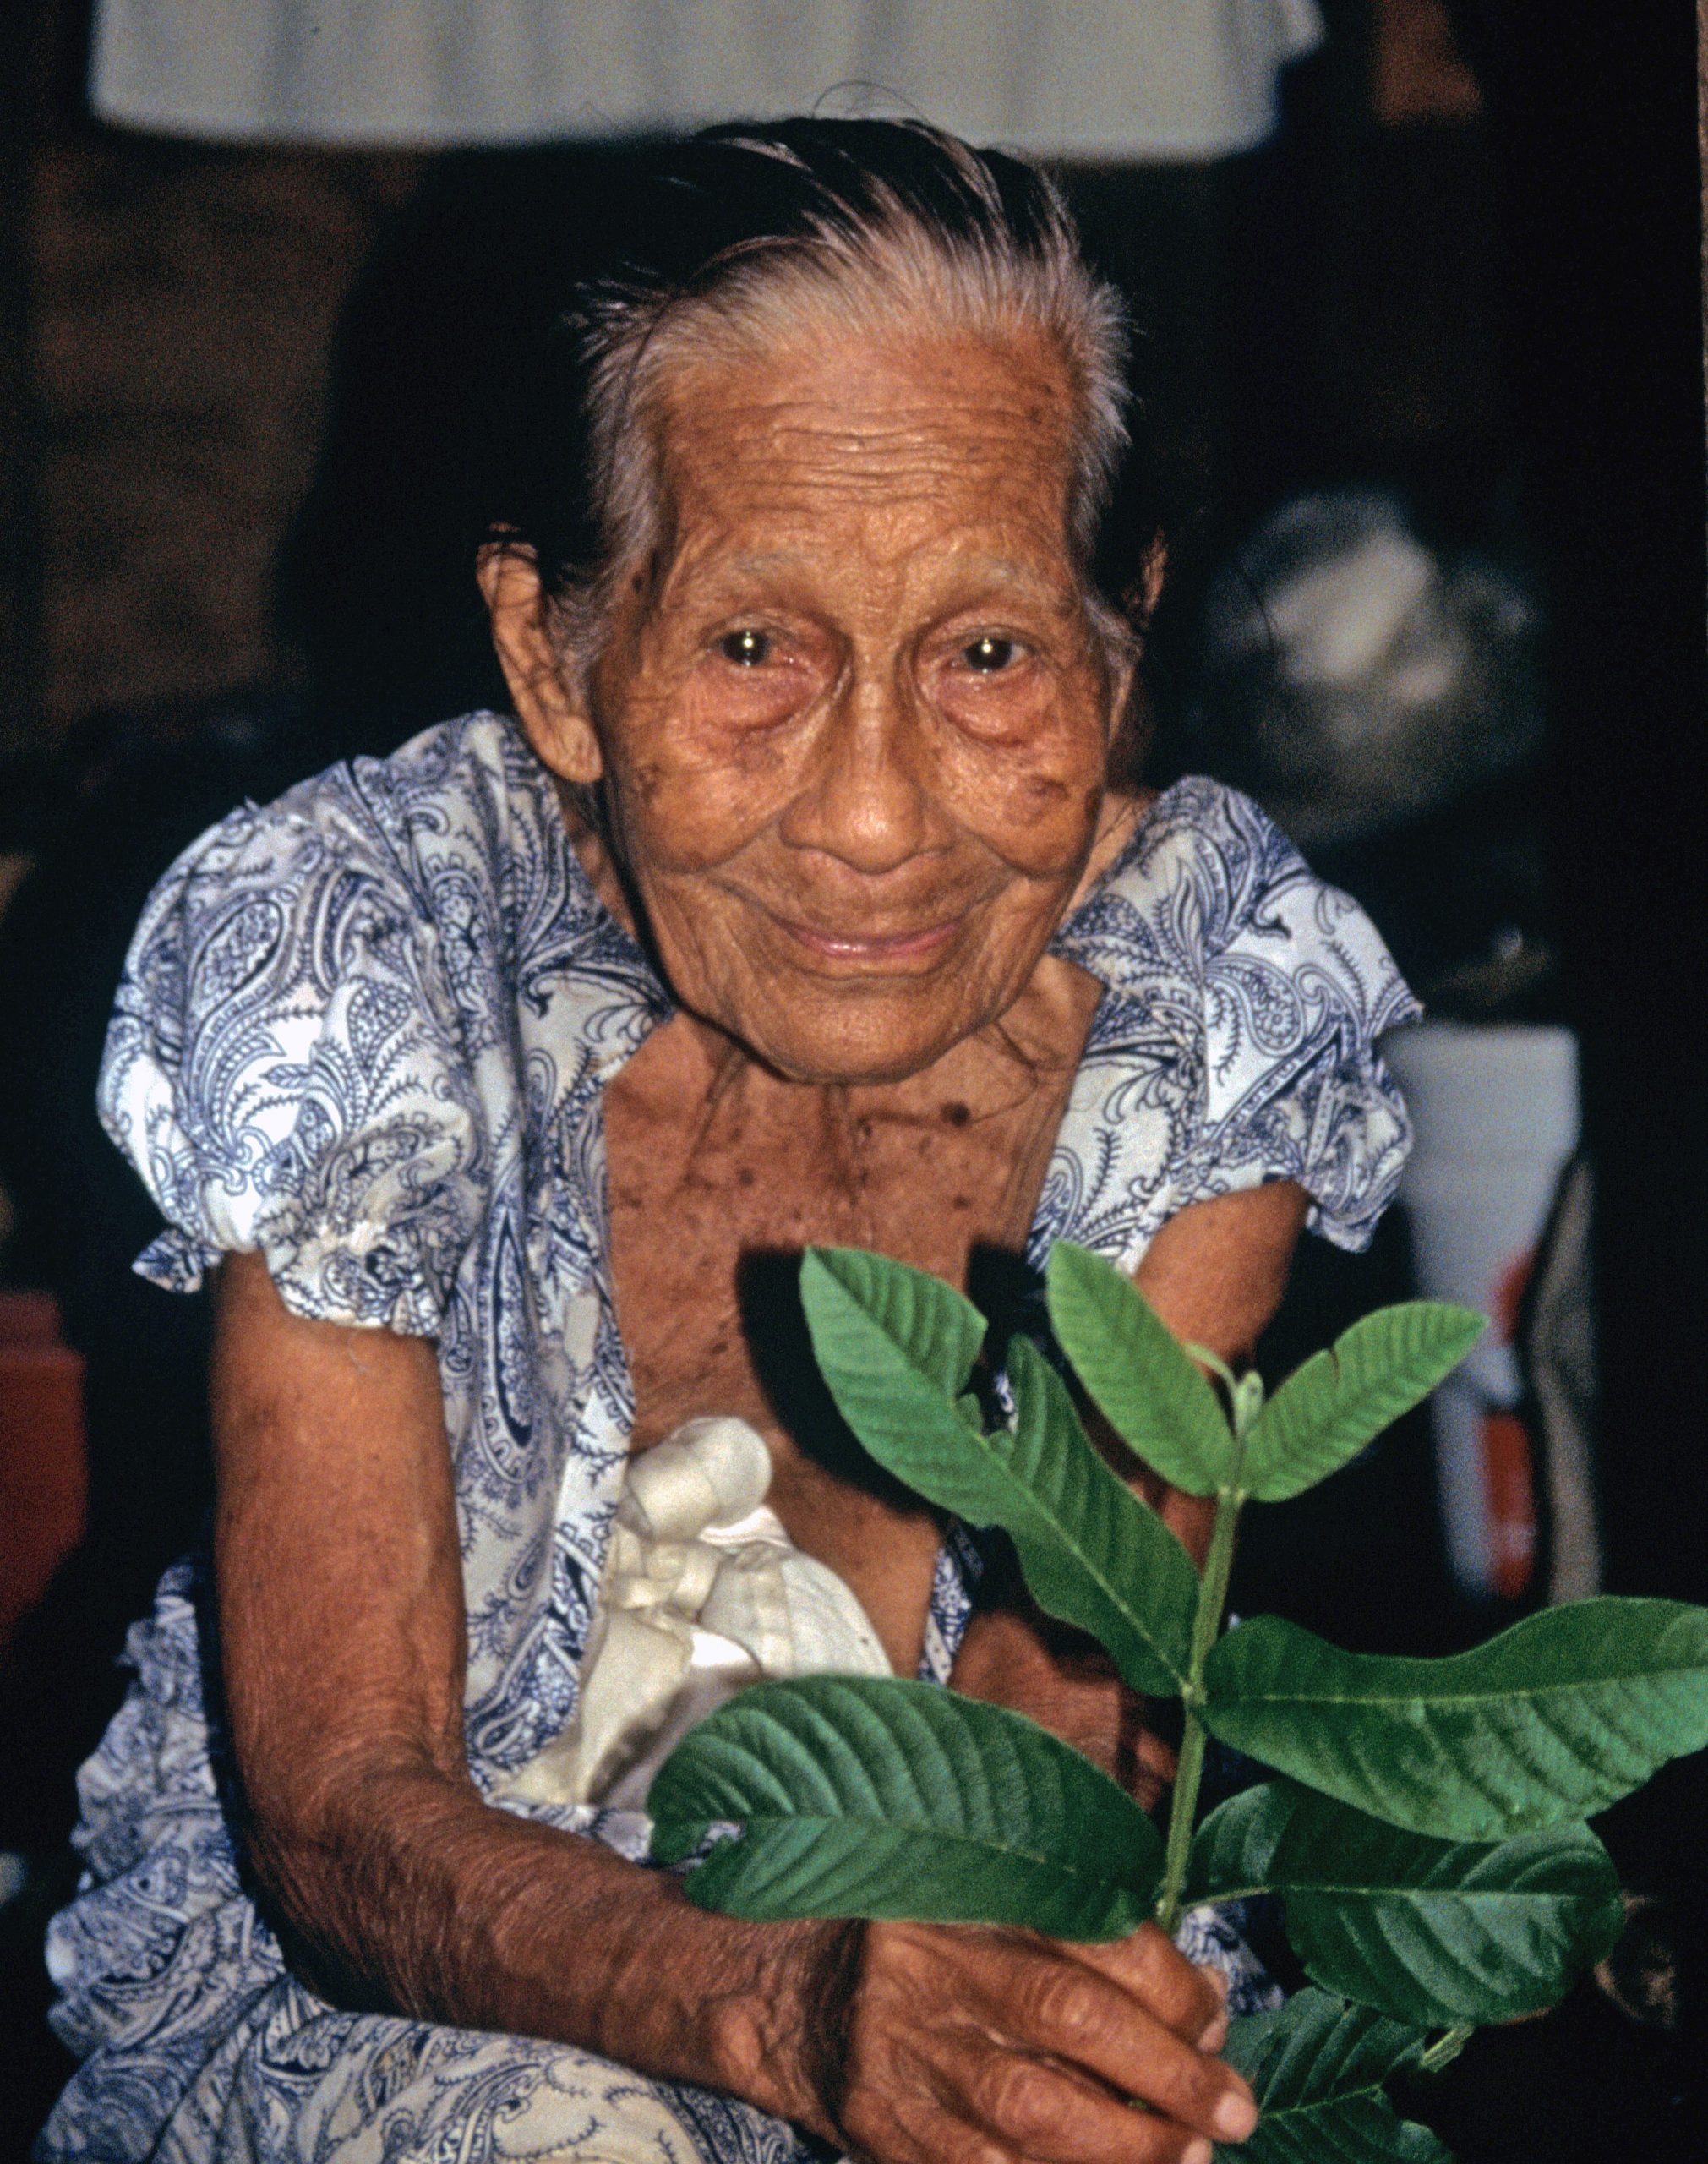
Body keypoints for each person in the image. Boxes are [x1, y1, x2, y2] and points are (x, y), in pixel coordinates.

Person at [38, 121, 1417, 2164]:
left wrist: (961, 2042)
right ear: (557, 658)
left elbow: (1068, 1733)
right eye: (754, 649)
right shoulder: (355, 950)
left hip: (972, 1919)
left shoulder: (1208, 1003)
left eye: (988, 651)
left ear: (1120, 637)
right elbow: (345, 1807)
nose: (876, 819)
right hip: (422, 1973)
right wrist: (782, 2007)